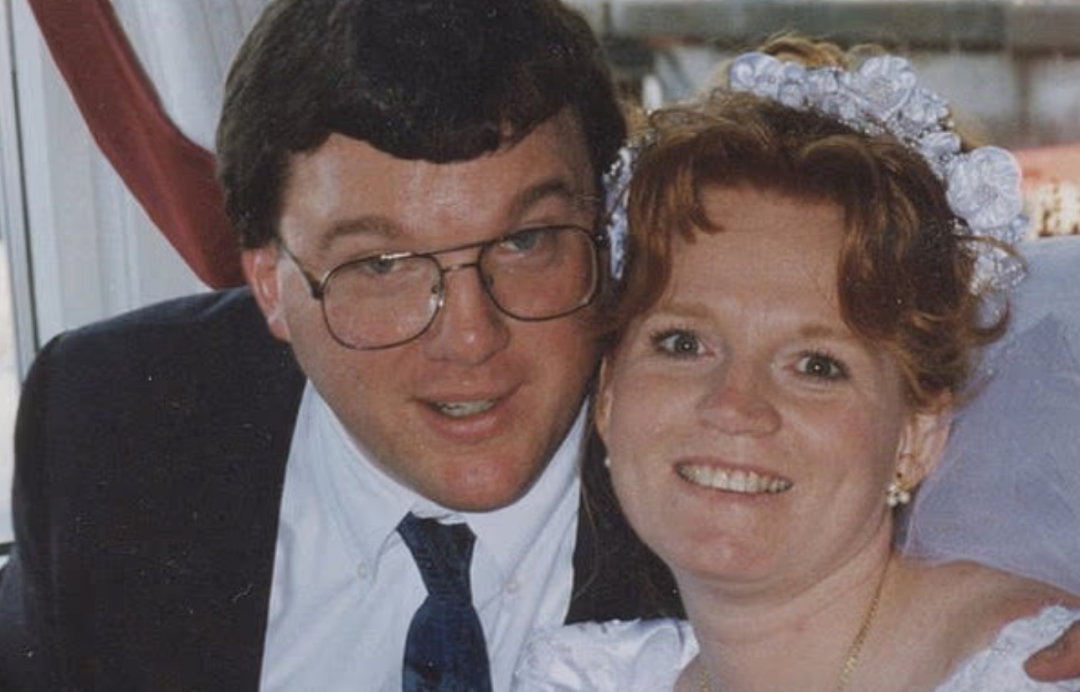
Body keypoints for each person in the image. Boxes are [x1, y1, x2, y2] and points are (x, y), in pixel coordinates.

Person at [0, 3, 1076, 690]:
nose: (471, 336)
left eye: (524, 242)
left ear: (604, 249)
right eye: (382, 263)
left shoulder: (736, 507)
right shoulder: (116, 422)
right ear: (271, 285)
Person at [514, 37, 1080, 692]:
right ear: (610, 393)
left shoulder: (1033, 674)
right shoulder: (592, 676)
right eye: (683, 344)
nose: (733, 406)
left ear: (917, 436)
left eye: (815, 365)